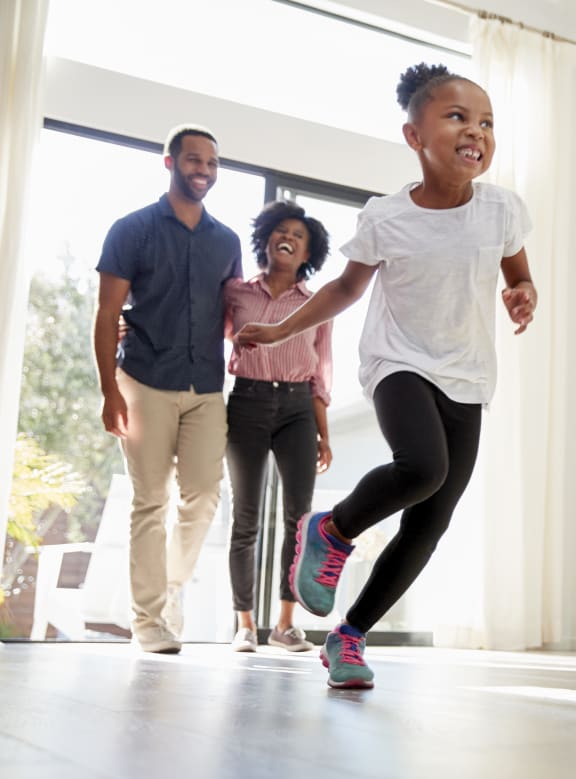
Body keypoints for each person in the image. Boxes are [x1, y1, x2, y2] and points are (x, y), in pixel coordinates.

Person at [235, 63, 537, 687]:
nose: (475, 130)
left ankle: (348, 637)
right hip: (398, 360)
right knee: (423, 468)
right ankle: (332, 527)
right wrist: (280, 329)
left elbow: (516, 268)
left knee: (431, 518)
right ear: (414, 136)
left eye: (486, 121)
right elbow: (347, 287)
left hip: (469, 372)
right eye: (456, 117)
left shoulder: (502, 210)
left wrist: (523, 292)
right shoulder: (387, 217)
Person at [93, 124, 242, 654]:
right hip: (145, 379)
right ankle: (148, 620)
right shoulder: (131, 230)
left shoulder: (226, 241)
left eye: (212, 163)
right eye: (194, 160)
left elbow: (230, 313)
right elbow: (108, 313)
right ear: (170, 163)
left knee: (203, 496)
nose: (203, 170)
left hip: (206, 384)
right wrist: (109, 390)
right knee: (150, 499)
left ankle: (169, 588)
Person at [225, 200, 333, 653]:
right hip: (246, 403)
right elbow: (202, 335)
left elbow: (320, 373)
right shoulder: (235, 292)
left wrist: (324, 434)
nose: (288, 237)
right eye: (280, 230)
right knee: (245, 518)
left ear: (308, 252)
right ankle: (245, 625)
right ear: (266, 238)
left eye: (299, 235)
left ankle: (284, 626)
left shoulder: (317, 305)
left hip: (296, 411)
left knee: (298, 519)